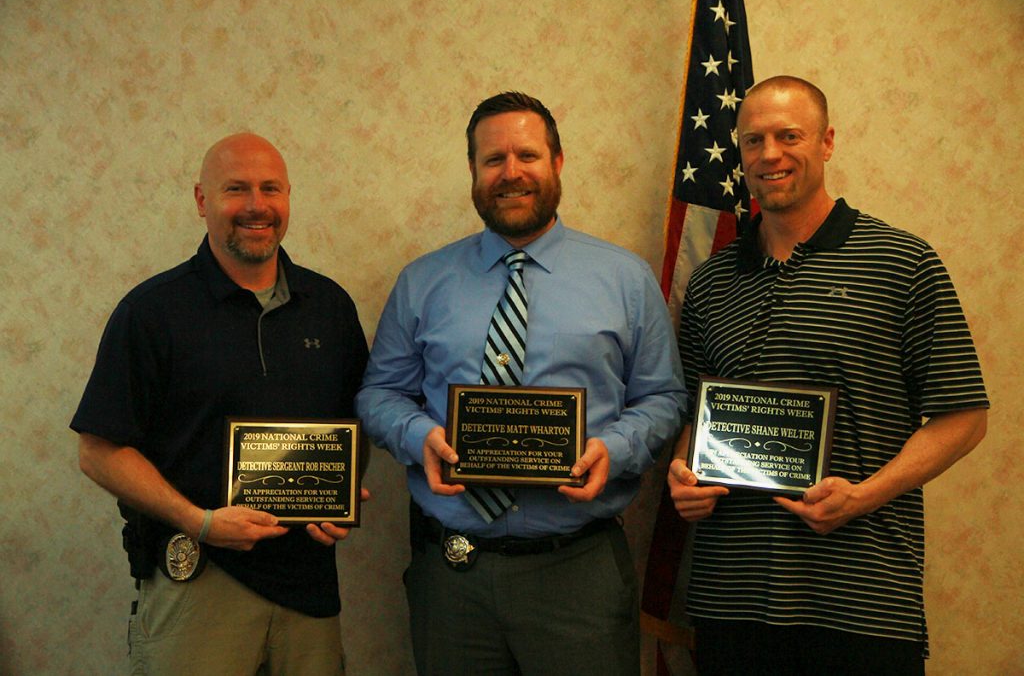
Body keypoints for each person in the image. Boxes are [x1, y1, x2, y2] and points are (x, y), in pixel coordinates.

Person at [667, 76, 989, 675]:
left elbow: (965, 417)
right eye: (753, 140)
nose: (770, 155)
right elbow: (696, 411)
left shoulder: (901, 261)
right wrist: (683, 475)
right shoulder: (711, 282)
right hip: (729, 599)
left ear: (827, 142)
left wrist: (862, 497)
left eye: (789, 136)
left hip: (861, 602)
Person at [356, 92, 685, 675]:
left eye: (527, 155)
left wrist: (616, 448)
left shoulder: (625, 279)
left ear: (558, 163)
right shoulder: (423, 281)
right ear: (474, 173)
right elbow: (378, 394)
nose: (511, 173)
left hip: (577, 574)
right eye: (493, 159)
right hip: (453, 577)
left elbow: (664, 398)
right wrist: (417, 436)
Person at [71, 133, 369, 675]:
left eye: (270, 189)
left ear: (287, 198)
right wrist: (200, 520)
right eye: (236, 189)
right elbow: (97, 449)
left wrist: (340, 500)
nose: (256, 206)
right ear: (202, 201)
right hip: (199, 582)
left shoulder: (329, 306)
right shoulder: (152, 311)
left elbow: (356, 421)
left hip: (309, 589)